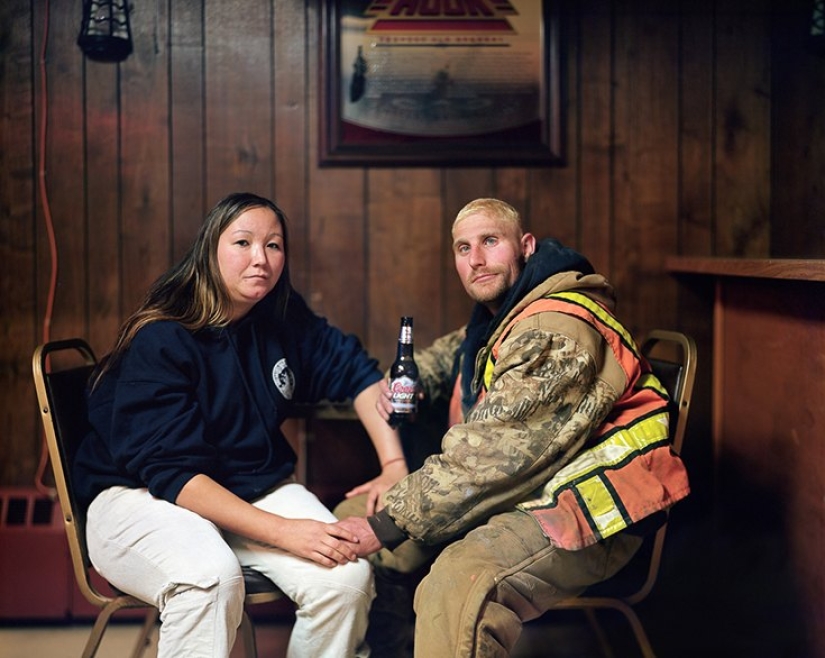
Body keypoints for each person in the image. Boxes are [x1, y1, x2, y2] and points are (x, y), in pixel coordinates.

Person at [336, 198, 690, 657]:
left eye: (489, 241)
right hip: (529, 486)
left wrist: (388, 523)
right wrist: (413, 378)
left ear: (525, 246)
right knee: (349, 516)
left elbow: (491, 456)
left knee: (458, 586)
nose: (476, 259)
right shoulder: (507, 311)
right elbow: (452, 353)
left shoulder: (553, 328)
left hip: (587, 506)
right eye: (463, 248)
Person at [73, 192, 409, 658]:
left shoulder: (279, 318)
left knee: (346, 578)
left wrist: (393, 463)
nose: (260, 259)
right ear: (210, 252)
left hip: (245, 487)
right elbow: (175, 477)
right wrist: (287, 532)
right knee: (211, 577)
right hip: (139, 496)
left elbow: (356, 372)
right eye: (243, 243)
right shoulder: (164, 338)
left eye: (273, 245)